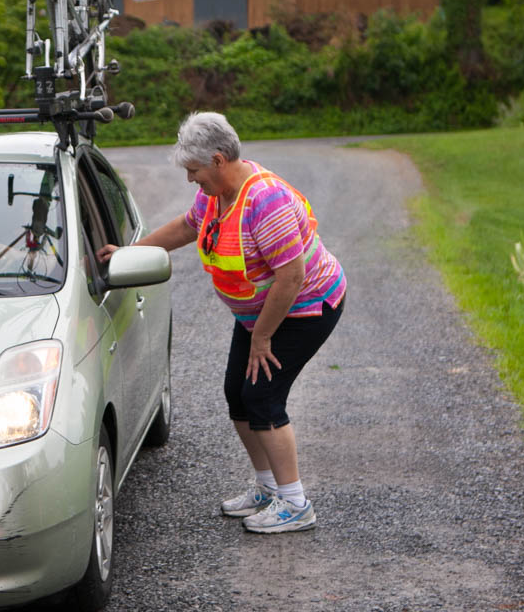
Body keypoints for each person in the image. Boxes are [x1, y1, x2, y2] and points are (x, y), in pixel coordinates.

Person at [96, 111, 346, 534]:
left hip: (304, 309)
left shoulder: (266, 202)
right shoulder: (216, 194)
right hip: (261, 314)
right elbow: (186, 227)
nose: (190, 179)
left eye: (193, 171)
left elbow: (292, 277)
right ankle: (267, 488)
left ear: (217, 160)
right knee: (237, 393)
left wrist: (262, 337)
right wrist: (130, 251)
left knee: (263, 397)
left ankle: (296, 503)